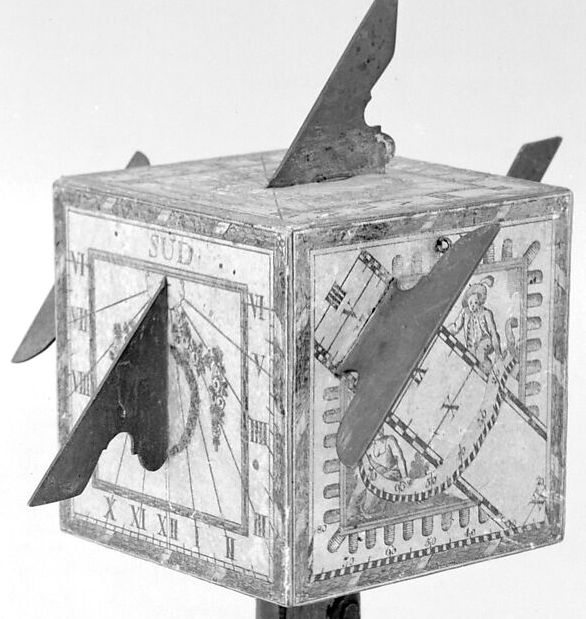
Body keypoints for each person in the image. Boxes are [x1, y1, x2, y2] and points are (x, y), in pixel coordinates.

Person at [449, 278, 501, 373]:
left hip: (486, 340)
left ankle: (491, 370)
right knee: (473, 359)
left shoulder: (485, 313)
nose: (473, 306)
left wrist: (497, 352)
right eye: (470, 303)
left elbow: (493, 332)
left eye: (475, 302)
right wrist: (449, 330)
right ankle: (486, 371)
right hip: (472, 345)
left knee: (480, 352)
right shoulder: (465, 313)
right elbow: (456, 326)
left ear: (480, 302)